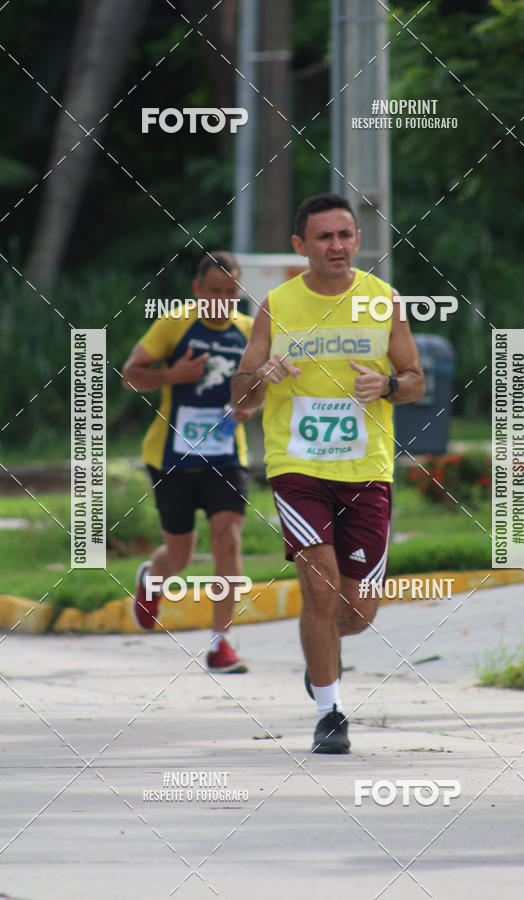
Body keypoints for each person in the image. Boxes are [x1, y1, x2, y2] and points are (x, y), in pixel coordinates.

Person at [230, 194, 425, 751]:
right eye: (323, 237)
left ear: (357, 241)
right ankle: (330, 711)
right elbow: (238, 395)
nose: (336, 246)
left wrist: (387, 385)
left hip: (366, 469)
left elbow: (415, 379)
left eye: (345, 235)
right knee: (318, 584)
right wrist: (262, 372)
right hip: (298, 465)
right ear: (300, 246)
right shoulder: (277, 305)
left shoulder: (383, 301)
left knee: (356, 613)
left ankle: (319, 660)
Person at [122, 251, 255, 673]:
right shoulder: (175, 323)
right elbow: (130, 374)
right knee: (179, 556)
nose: (222, 300)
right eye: (214, 292)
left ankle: (221, 644)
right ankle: (152, 578)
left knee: (227, 540)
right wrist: (170, 376)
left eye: (231, 293)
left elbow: (258, 393)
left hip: (227, 457)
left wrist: (250, 408)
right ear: (198, 290)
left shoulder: (251, 332)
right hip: (172, 458)